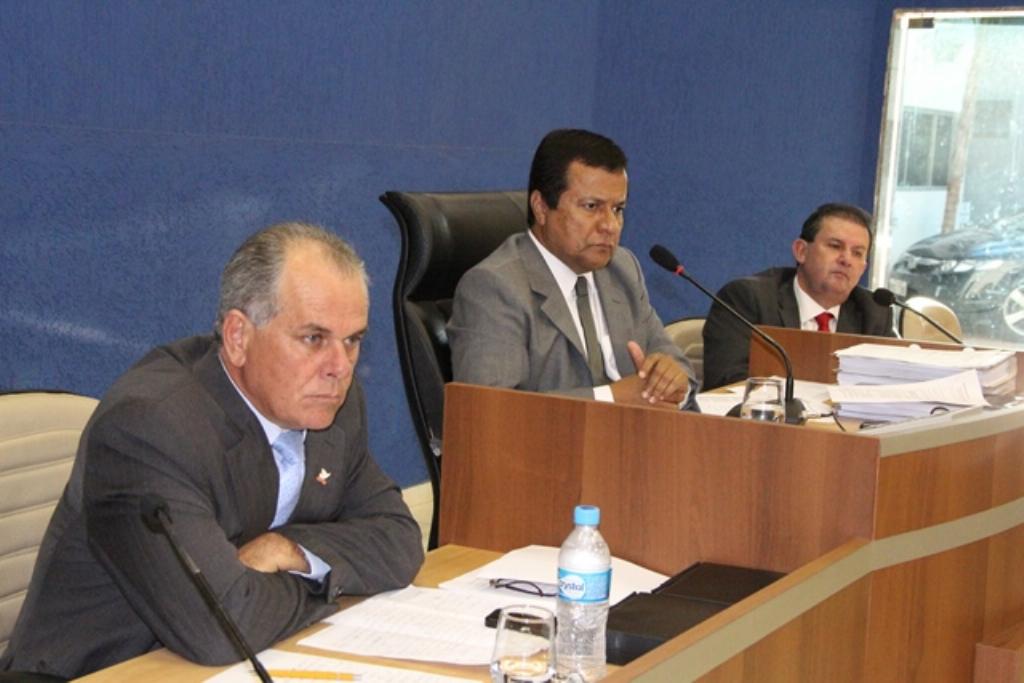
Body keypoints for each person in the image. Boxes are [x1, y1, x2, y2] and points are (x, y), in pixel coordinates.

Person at [1, 223, 424, 679]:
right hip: (105, 671)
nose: (339, 367)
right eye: (314, 338)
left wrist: (290, 551)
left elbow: (399, 539)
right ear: (238, 337)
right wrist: (326, 581)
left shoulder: (329, 405)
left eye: (353, 340)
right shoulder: (149, 426)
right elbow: (222, 627)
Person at [448, 128, 698, 410]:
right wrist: (611, 398)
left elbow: (679, 368)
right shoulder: (494, 288)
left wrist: (673, 382)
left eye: (618, 209)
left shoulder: (622, 269)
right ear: (541, 208)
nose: (610, 225)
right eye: (591, 206)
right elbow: (490, 411)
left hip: (632, 436)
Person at [702, 202, 895, 390]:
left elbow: (893, 385)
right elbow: (727, 380)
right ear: (801, 251)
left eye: (857, 253)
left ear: (863, 268)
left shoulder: (874, 312)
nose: (846, 260)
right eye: (835, 246)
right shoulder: (748, 299)